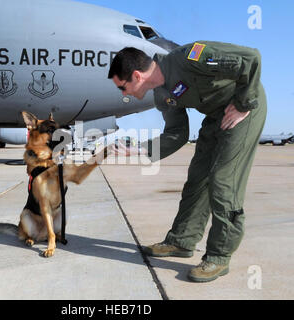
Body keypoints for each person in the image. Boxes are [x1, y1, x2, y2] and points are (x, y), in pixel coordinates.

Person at [108, 41, 267, 282]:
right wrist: (138, 149)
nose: (124, 94)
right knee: (196, 180)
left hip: (243, 110)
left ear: (137, 76)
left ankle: (219, 256)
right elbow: (176, 134)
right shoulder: (162, 97)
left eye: (123, 87)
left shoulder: (189, 57)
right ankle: (181, 241)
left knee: (223, 181)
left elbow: (251, 58)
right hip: (216, 117)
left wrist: (244, 104)